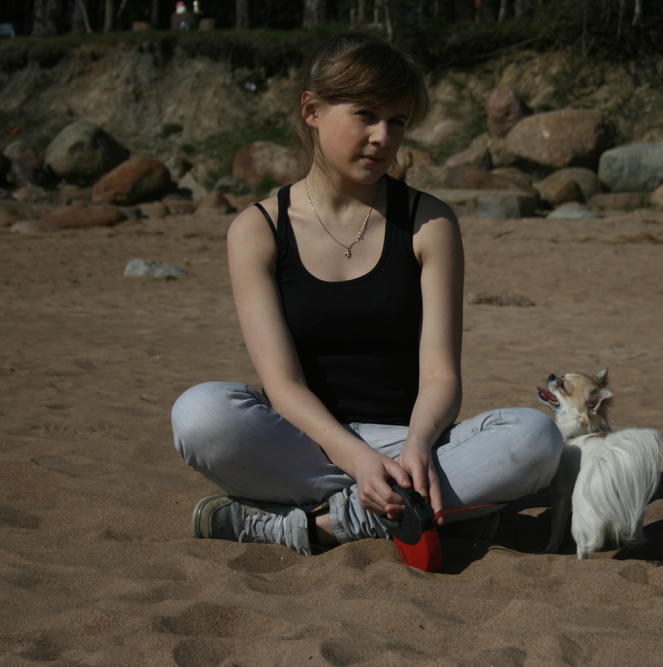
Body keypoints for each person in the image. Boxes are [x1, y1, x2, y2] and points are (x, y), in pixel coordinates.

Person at [171, 33, 563, 555]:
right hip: (306, 444)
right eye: (366, 115)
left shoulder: (428, 222)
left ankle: (314, 527)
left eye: (397, 121)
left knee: (536, 439)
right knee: (199, 413)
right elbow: (282, 385)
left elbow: (441, 376)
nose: (383, 137)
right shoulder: (257, 229)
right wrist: (357, 460)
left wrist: (418, 445)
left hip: (407, 444)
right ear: (312, 110)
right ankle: (426, 510)